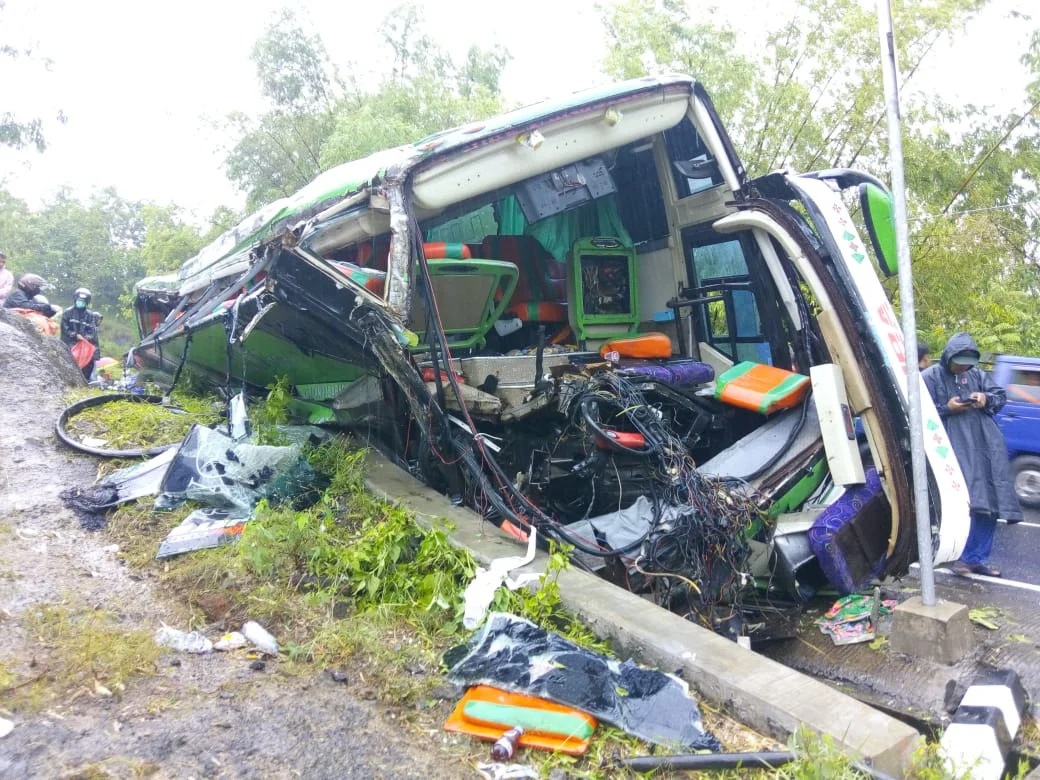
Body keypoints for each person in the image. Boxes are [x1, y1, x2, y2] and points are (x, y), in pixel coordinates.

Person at [923, 332, 1023, 577]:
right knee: (965, 502)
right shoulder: (930, 376)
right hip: (951, 448)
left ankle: (975, 559)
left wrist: (984, 398)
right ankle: (958, 555)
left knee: (991, 501)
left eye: (968, 363)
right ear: (948, 357)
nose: (964, 367)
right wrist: (947, 408)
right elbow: (918, 411)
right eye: (959, 362)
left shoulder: (977, 374)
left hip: (985, 445)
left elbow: (999, 397)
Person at [60, 287, 103, 380]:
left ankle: (86, 382)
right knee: (70, 364)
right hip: (69, 345)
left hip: (85, 346)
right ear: (75, 299)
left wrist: (84, 337)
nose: (80, 302)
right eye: (79, 300)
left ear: (87, 302)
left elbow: (92, 331)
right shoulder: (67, 313)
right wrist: (75, 335)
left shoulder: (90, 315)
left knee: (88, 365)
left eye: (83, 301)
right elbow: (65, 329)